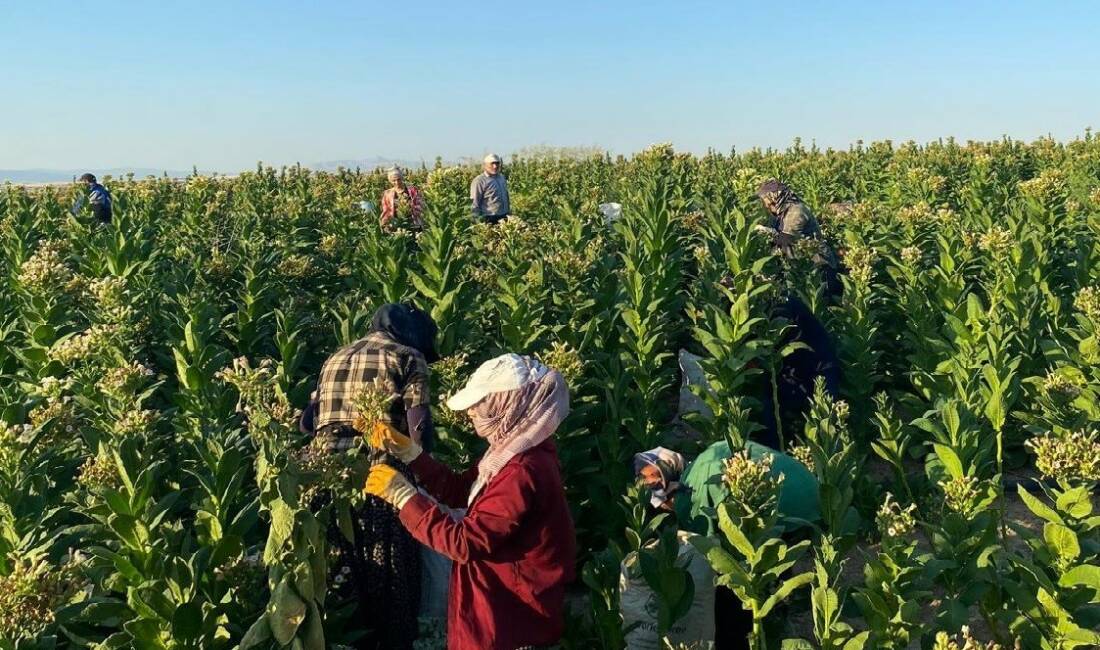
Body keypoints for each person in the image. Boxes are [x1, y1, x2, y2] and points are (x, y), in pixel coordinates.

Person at [365, 354, 576, 650]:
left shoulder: (520, 470)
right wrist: (412, 455)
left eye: (481, 404)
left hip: (509, 621)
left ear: (509, 404)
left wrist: (404, 498)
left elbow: (466, 542)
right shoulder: (511, 452)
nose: (472, 413)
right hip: (501, 611)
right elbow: (462, 490)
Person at [309, 302, 439, 650]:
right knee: (393, 587)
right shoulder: (409, 357)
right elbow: (419, 426)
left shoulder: (334, 359)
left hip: (330, 483)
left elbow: (308, 422)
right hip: (383, 484)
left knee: (342, 582)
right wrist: (426, 470)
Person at [633, 442, 819, 650]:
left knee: (734, 586)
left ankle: (759, 628)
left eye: (663, 506)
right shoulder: (703, 463)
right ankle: (775, 613)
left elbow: (713, 553)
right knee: (773, 556)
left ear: (669, 491)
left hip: (786, 502)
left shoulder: (691, 498)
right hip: (807, 489)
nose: (667, 511)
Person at [754, 179, 840, 295]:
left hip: (818, 265)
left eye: (766, 200)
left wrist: (767, 231)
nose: (765, 205)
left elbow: (788, 239)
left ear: (774, 197)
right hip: (800, 266)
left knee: (818, 298)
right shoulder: (778, 216)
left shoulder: (796, 210)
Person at [470, 153, 511, 224]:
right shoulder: (480, 180)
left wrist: (509, 212)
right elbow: (475, 202)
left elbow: (506, 195)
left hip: (504, 216)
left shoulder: (502, 178)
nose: (495, 166)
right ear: (485, 165)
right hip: (489, 217)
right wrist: (477, 221)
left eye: (497, 163)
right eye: (492, 164)